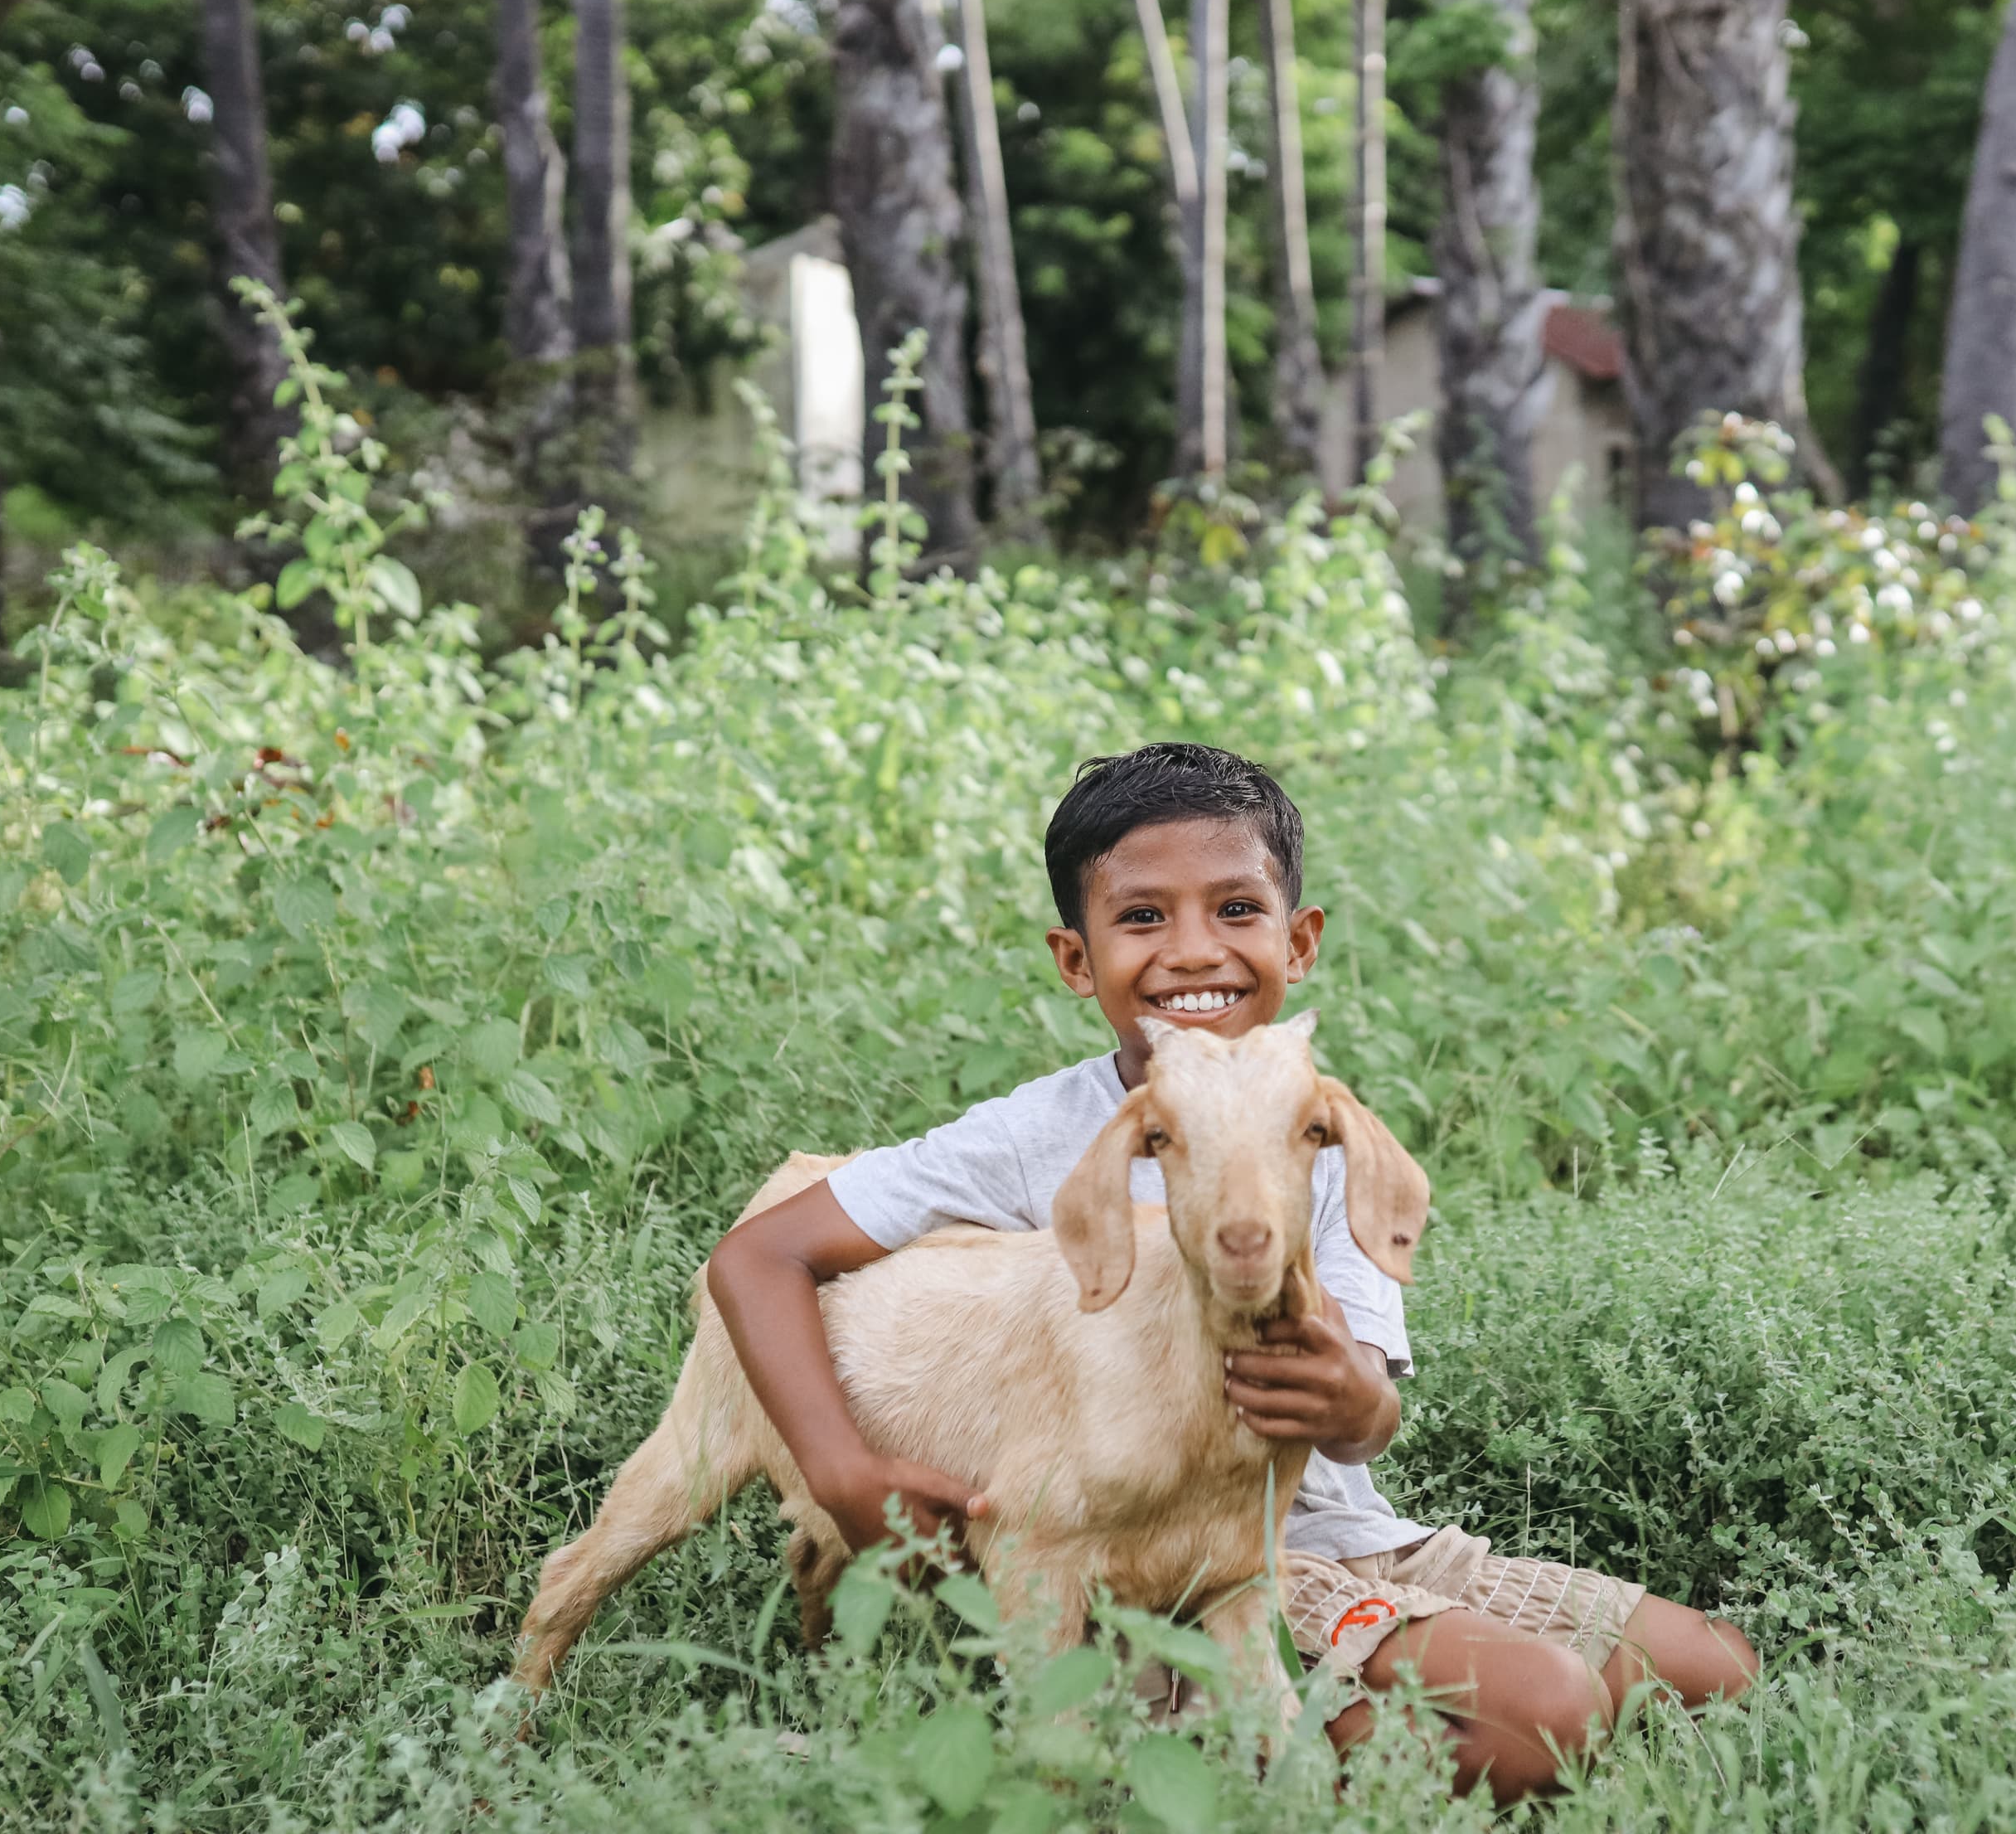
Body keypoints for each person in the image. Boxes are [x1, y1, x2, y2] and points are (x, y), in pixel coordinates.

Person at [704, 741, 1756, 1800]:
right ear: (1078, 960)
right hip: (1154, 1565)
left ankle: (1350, 1701)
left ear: (1298, 941)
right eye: (1145, 916)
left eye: (1238, 909)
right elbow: (759, 1256)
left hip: (1341, 1534)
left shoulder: (1311, 1120)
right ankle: (1182, 1756)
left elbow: (1359, 1415)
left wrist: (1360, 1404)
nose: (1194, 951)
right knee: (1549, 1715)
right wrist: (841, 1470)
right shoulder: (1032, 1137)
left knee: (1718, 1670)